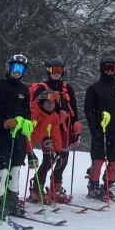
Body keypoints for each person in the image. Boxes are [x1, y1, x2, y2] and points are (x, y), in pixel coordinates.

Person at [0, 55, 32, 220]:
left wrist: (26, 123)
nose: (17, 72)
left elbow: (27, 111)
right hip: (0, 131)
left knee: (16, 165)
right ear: (8, 68)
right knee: (2, 165)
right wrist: (3, 122)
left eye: (21, 69)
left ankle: (12, 200)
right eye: (14, 68)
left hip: (17, 132)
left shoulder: (24, 89)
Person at [28, 58, 80, 203]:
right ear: (48, 71)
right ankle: (36, 189)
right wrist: (55, 115)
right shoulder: (42, 87)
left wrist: (76, 126)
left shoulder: (67, 88)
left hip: (65, 129)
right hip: (47, 128)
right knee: (48, 160)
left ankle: (55, 188)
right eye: (53, 70)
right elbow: (36, 108)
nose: (56, 73)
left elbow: (73, 108)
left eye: (59, 70)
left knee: (62, 159)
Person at [84, 56, 115, 200]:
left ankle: (109, 184)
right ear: (102, 69)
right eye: (107, 68)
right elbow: (89, 110)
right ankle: (93, 186)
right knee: (99, 159)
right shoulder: (94, 88)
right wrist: (94, 129)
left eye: (113, 68)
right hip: (101, 130)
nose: (110, 71)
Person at [26, 89, 64, 203]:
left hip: (30, 143)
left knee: (14, 169)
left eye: (53, 103)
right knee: (8, 168)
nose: (50, 105)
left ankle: (35, 190)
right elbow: (24, 135)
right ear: (41, 102)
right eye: (48, 102)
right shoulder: (33, 112)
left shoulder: (53, 116)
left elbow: (55, 133)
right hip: (19, 142)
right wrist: (29, 152)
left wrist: (58, 151)